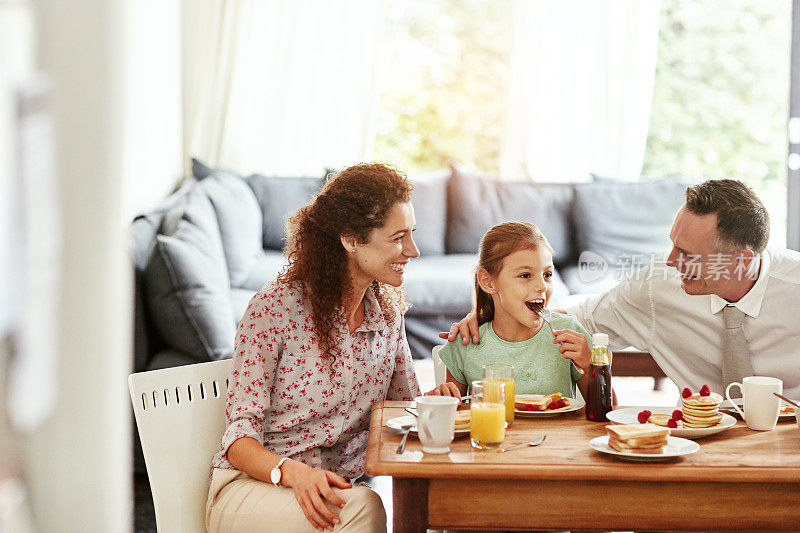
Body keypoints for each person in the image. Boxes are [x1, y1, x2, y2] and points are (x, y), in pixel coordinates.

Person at [206, 163, 422, 533]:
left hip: (331, 490)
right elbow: (239, 442)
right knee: (365, 509)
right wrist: (294, 474)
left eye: (412, 235)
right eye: (398, 237)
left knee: (401, 504)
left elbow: (405, 411)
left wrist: (461, 366)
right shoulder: (274, 310)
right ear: (351, 239)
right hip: (253, 488)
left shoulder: (386, 316)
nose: (413, 251)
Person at [442, 179, 800, 398]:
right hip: (699, 439)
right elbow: (583, 316)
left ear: (741, 260)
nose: (670, 261)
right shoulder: (660, 284)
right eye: (672, 244)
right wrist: (493, 312)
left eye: (687, 253)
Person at [427, 222, 592, 400]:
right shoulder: (465, 343)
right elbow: (453, 413)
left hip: (556, 429)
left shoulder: (570, 333)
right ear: (487, 282)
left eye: (547, 275)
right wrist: (439, 399)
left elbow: (605, 411)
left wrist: (591, 366)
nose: (542, 285)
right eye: (525, 275)